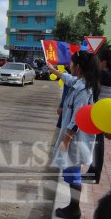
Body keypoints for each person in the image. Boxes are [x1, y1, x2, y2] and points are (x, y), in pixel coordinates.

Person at [47, 50, 101, 219]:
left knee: (73, 174)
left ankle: (74, 209)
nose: (69, 65)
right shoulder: (79, 82)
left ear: (78, 67)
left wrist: (66, 139)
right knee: (71, 172)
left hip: (75, 139)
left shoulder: (84, 89)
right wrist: (53, 70)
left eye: (71, 63)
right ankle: (72, 206)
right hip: (73, 138)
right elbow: (68, 79)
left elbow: (78, 117)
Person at [83, 48, 111, 184]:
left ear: (104, 62)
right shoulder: (106, 74)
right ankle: (93, 173)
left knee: (97, 144)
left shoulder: (104, 75)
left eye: (98, 61)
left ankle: (94, 174)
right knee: (97, 144)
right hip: (104, 115)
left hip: (102, 115)